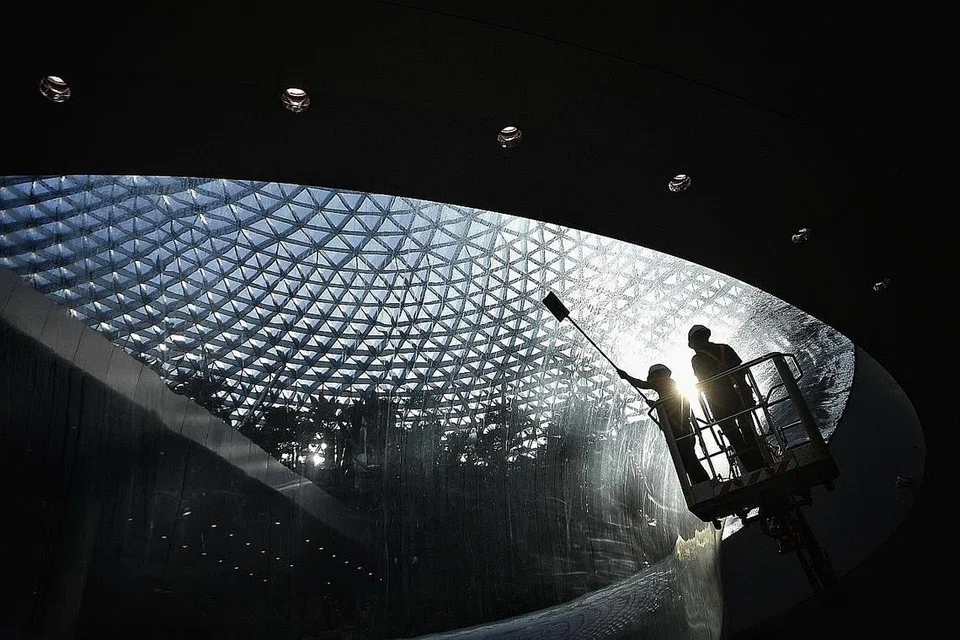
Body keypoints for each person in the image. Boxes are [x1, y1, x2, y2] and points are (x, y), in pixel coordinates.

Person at [687, 324, 764, 472]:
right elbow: (741, 370)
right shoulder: (725, 348)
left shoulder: (697, 360)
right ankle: (761, 461)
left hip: (719, 403)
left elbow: (702, 381)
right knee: (748, 430)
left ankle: (752, 468)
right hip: (742, 396)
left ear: (694, 342)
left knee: (734, 436)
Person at [617, 363, 711, 485]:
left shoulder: (662, 382)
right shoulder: (671, 387)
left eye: (653, 377)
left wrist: (626, 377)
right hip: (686, 430)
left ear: (659, 374)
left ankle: (705, 483)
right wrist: (657, 404)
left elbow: (641, 384)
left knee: (688, 461)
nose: (652, 380)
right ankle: (703, 483)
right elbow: (671, 405)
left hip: (678, 431)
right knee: (689, 460)